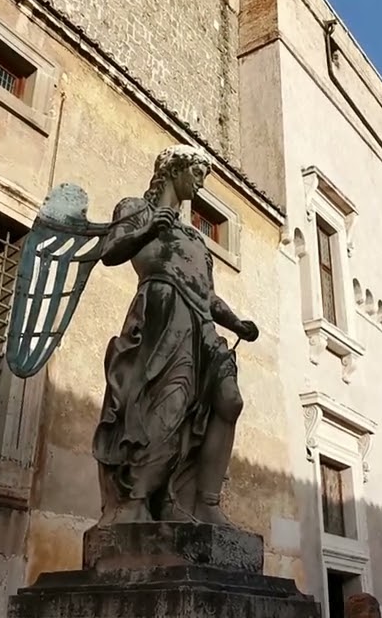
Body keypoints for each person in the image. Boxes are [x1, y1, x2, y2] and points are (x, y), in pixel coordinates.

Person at [91, 145, 259, 525]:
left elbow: (208, 293)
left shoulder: (195, 238)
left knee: (229, 401)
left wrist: (237, 323)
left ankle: (206, 502)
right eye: (196, 174)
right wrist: (151, 227)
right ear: (173, 170)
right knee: (166, 412)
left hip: (202, 327)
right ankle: (137, 499)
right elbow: (111, 252)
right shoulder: (136, 209)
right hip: (162, 320)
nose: (200, 184)